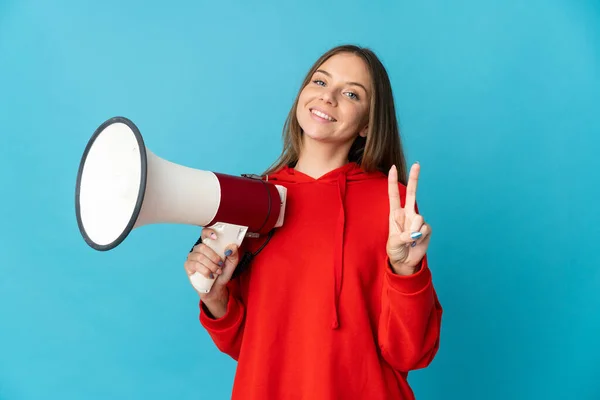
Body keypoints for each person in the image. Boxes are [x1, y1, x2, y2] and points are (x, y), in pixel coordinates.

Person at [183, 44, 443, 400]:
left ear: (368, 124)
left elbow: (411, 353)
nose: (329, 97)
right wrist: (215, 298)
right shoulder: (253, 202)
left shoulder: (391, 204)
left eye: (351, 93)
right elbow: (251, 348)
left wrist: (406, 272)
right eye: (320, 81)